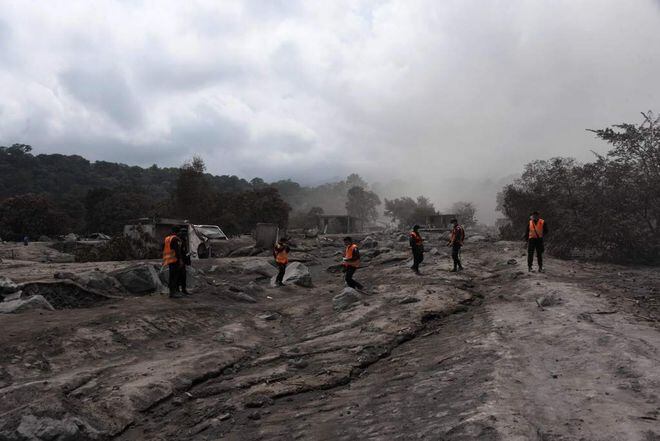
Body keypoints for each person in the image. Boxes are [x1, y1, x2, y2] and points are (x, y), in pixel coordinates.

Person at [163, 226, 184, 298]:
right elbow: (177, 251)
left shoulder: (167, 238)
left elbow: (163, 247)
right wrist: (180, 260)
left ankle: (171, 292)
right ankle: (173, 293)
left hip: (169, 260)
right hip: (175, 260)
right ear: (177, 232)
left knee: (171, 276)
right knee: (175, 277)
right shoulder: (175, 239)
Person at [178, 228, 191, 295]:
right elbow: (179, 251)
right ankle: (181, 289)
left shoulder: (184, 239)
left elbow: (185, 251)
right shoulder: (179, 239)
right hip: (180, 260)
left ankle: (183, 289)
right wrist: (181, 260)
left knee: (183, 276)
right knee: (181, 275)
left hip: (183, 259)